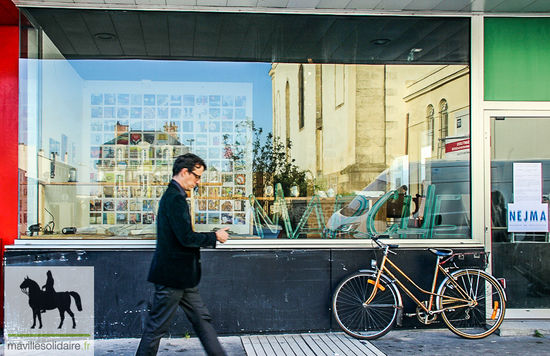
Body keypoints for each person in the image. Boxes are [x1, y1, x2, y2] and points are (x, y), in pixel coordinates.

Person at [136, 153, 229, 356]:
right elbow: (186, 238)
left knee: (202, 319)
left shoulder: (175, 196)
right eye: (197, 176)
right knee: (156, 328)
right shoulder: (174, 199)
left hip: (182, 277)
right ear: (184, 171)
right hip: (171, 278)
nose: (198, 182)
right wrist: (215, 237)